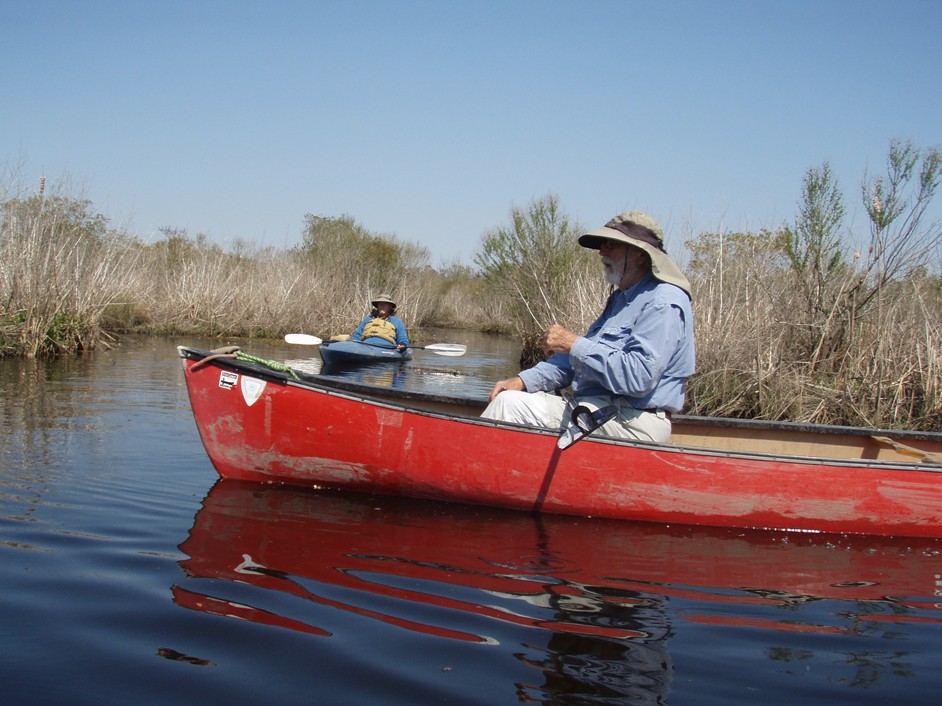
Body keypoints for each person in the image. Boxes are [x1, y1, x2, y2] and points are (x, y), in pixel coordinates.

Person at [481, 211, 695, 443]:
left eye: (612, 245)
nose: (602, 252)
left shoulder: (663, 301)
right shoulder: (621, 300)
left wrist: (573, 343)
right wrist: (523, 381)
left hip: (634, 422)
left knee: (509, 405)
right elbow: (576, 362)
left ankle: (471, 472)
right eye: (602, 245)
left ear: (640, 254)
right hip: (601, 412)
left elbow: (638, 378)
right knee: (511, 395)